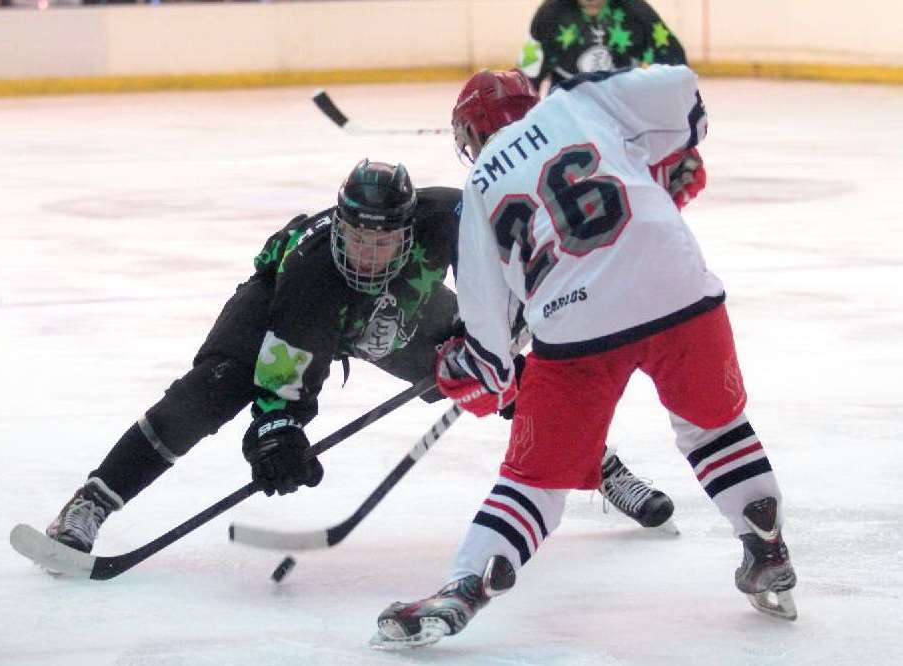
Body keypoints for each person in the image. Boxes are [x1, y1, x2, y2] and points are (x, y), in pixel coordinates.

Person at [45, 159, 672, 556]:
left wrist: (518, 311)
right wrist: (277, 436)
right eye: (358, 239)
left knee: (505, 379)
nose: (368, 254)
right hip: (278, 302)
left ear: (408, 230)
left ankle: (603, 466)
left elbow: (509, 252)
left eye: (384, 240)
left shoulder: (446, 217)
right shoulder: (314, 276)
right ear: (340, 226)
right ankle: (93, 501)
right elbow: (282, 380)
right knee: (212, 390)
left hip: (399, 307)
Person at [372, 66, 797, 650]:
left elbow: (487, 338)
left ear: (472, 133)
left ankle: (466, 585)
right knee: (714, 429)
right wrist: (681, 144)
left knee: (534, 480)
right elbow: (679, 86)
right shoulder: (576, 105)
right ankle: (766, 546)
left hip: (577, 330)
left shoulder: (477, 193)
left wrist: (472, 373)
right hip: (681, 289)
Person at [518, 0, 687, 91]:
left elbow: (674, 60)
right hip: (565, 112)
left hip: (621, 108)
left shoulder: (636, 11)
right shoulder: (550, 14)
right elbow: (526, 79)